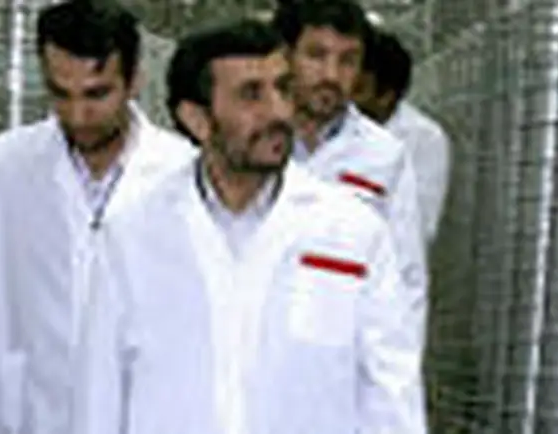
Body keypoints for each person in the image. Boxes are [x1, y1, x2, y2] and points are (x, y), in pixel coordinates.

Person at [77, 19, 428, 434]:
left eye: (283, 89)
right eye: (251, 95)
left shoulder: (352, 232)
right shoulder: (132, 237)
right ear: (197, 120)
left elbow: (391, 397)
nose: (278, 112)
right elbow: (98, 402)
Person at [0, 1, 196, 432]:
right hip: (35, 417)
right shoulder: (4, 166)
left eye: (97, 94)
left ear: (134, 80)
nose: (78, 116)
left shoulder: (183, 175)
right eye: (60, 94)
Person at [271, 0, 429, 338]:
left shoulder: (384, 157)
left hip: (340, 349)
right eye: (316, 55)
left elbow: (405, 279)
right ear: (284, 56)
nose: (331, 75)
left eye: (347, 60)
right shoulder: (247, 139)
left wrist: (394, 365)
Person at [354, 29, 450, 243]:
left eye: (359, 90)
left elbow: (420, 225)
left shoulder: (424, 139)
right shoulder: (335, 127)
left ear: (386, 96)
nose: (350, 99)